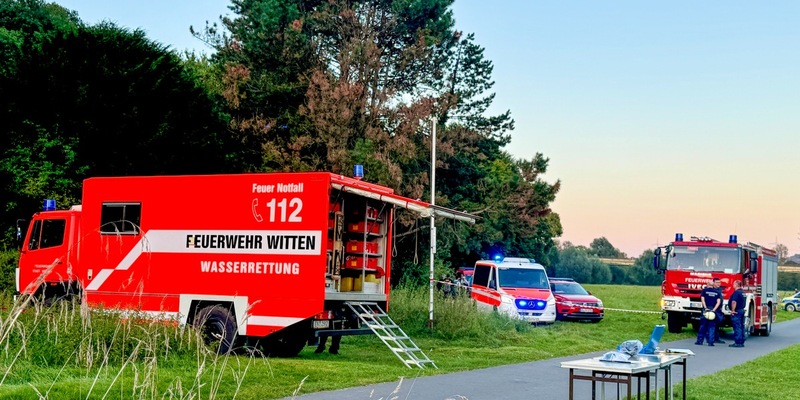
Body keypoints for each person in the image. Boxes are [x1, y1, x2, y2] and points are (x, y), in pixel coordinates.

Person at [695, 278, 722, 346]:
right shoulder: (717, 292)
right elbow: (718, 302)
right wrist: (714, 309)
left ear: (707, 284)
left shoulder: (704, 291)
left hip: (706, 310)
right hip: (713, 310)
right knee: (711, 326)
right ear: (712, 285)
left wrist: (705, 308)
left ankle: (699, 341)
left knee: (703, 326)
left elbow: (703, 300)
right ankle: (710, 342)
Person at [728, 280, 746, 347]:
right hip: (741, 310)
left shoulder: (736, 293)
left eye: (734, 284)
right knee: (741, 326)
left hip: (737, 311)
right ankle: (741, 341)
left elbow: (734, 302)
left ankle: (738, 342)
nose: (733, 285)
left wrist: (733, 310)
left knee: (737, 327)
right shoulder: (742, 292)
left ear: (736, 284)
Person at [712, 278, 726, 344]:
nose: (718, 284)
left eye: (719, 282)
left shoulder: (719, 290)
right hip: (714, 308)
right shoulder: (712, 290)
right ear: (713, 283)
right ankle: (711, 338)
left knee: (717, 324)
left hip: (719, 309)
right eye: (717, 282)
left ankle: (716, 338)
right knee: (712, 324)